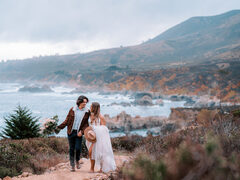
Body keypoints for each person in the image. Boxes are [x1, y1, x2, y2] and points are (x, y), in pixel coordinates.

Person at [55, 95, 90, 172]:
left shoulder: (87, 111)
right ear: (79, 102)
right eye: (84, 102)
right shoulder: (72, 109)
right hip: (70, 132)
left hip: (79, 133)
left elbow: (86, 124)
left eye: (86, 102)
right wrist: (59, 127)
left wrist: (82, 131)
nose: (85, 104)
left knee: (78, 148)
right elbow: (67, 120)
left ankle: (77, 161)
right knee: (71, 149)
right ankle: (72, 165)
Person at [85, 102, 116, 173]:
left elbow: (104, 129)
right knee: (90, 152)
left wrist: (95, 129)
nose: (90, 107)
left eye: (91, 106)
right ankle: (92, 168)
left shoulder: (101, 117)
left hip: (99, 138)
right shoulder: (89, 115)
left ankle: (101, 168)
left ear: (94, 108)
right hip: (91, 136)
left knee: (100, 153)